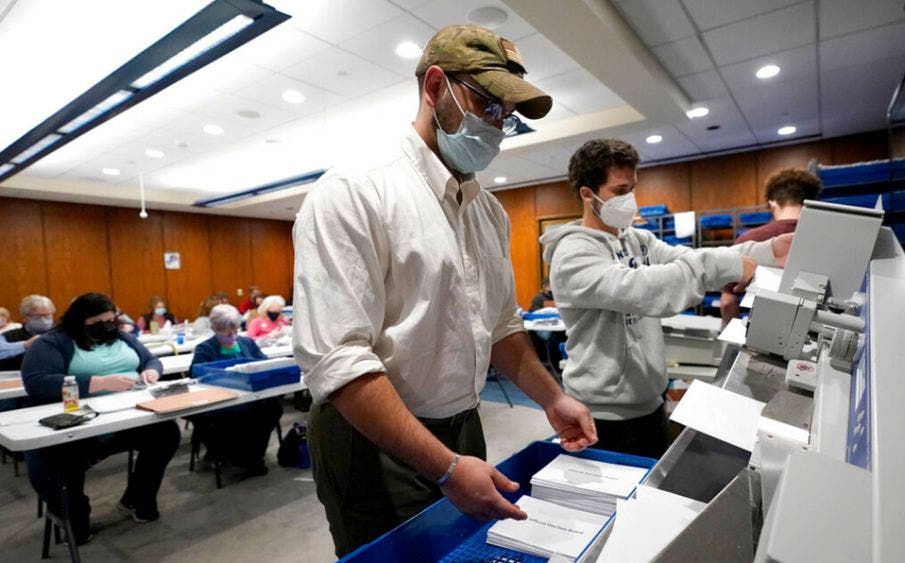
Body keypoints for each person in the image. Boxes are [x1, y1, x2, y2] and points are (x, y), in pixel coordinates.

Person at [292, 23, 597, 557]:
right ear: (435, 87)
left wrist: (554, 398)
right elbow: (339, 361)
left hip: (462, 424)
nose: (498, 126)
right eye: (488, 106)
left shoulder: (487, 210)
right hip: (370, 440)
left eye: (507, 115)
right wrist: (448, 469)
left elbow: (500, 325)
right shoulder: (355, 191)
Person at [540, 138, 792, 459]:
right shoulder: (573, 255)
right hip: (603, 415)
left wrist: (765, 252)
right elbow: (644, 290)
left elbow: (689, 258)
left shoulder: (638, 239)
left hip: (650, 402)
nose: (630, 199)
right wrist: (732, 266)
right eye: (620, 191)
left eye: (632, 188)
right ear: (587, 195)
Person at [21, 293, 180, 543]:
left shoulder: (120, 336)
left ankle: (138, 499)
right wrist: (99, 383)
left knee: (166, 433)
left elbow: (150, 359)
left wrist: (151, 371)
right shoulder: (52, 343)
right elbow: (37, 382)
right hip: (79, 422)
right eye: (97, 322)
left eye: (110, 320)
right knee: (60, 460)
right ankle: (75, 516)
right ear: (79, 320)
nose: (106, 326)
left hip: (127, 414)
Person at [189, 304, 282, 477]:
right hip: (222, 399)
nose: (232, 337)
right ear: (215, 329)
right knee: (237, 413)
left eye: (235, 331)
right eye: (227, 333)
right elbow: (196, 376)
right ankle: (240, 456)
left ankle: (254, 455)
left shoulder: (247, 343)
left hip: (251, 396)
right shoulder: (205, 349)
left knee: (272, 407)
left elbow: (264, 363)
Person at [720, 168, 822, 324]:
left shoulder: (749, 241)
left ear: (772, 203)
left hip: (760, 333)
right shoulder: (825, 240)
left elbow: (727, 302)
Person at [0, 294, 57, 370]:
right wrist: (25, 345)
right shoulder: (9, 336)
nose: (44, 320)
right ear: (24, 317)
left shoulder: (60, 334)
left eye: (48, 316)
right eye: (37, 317)